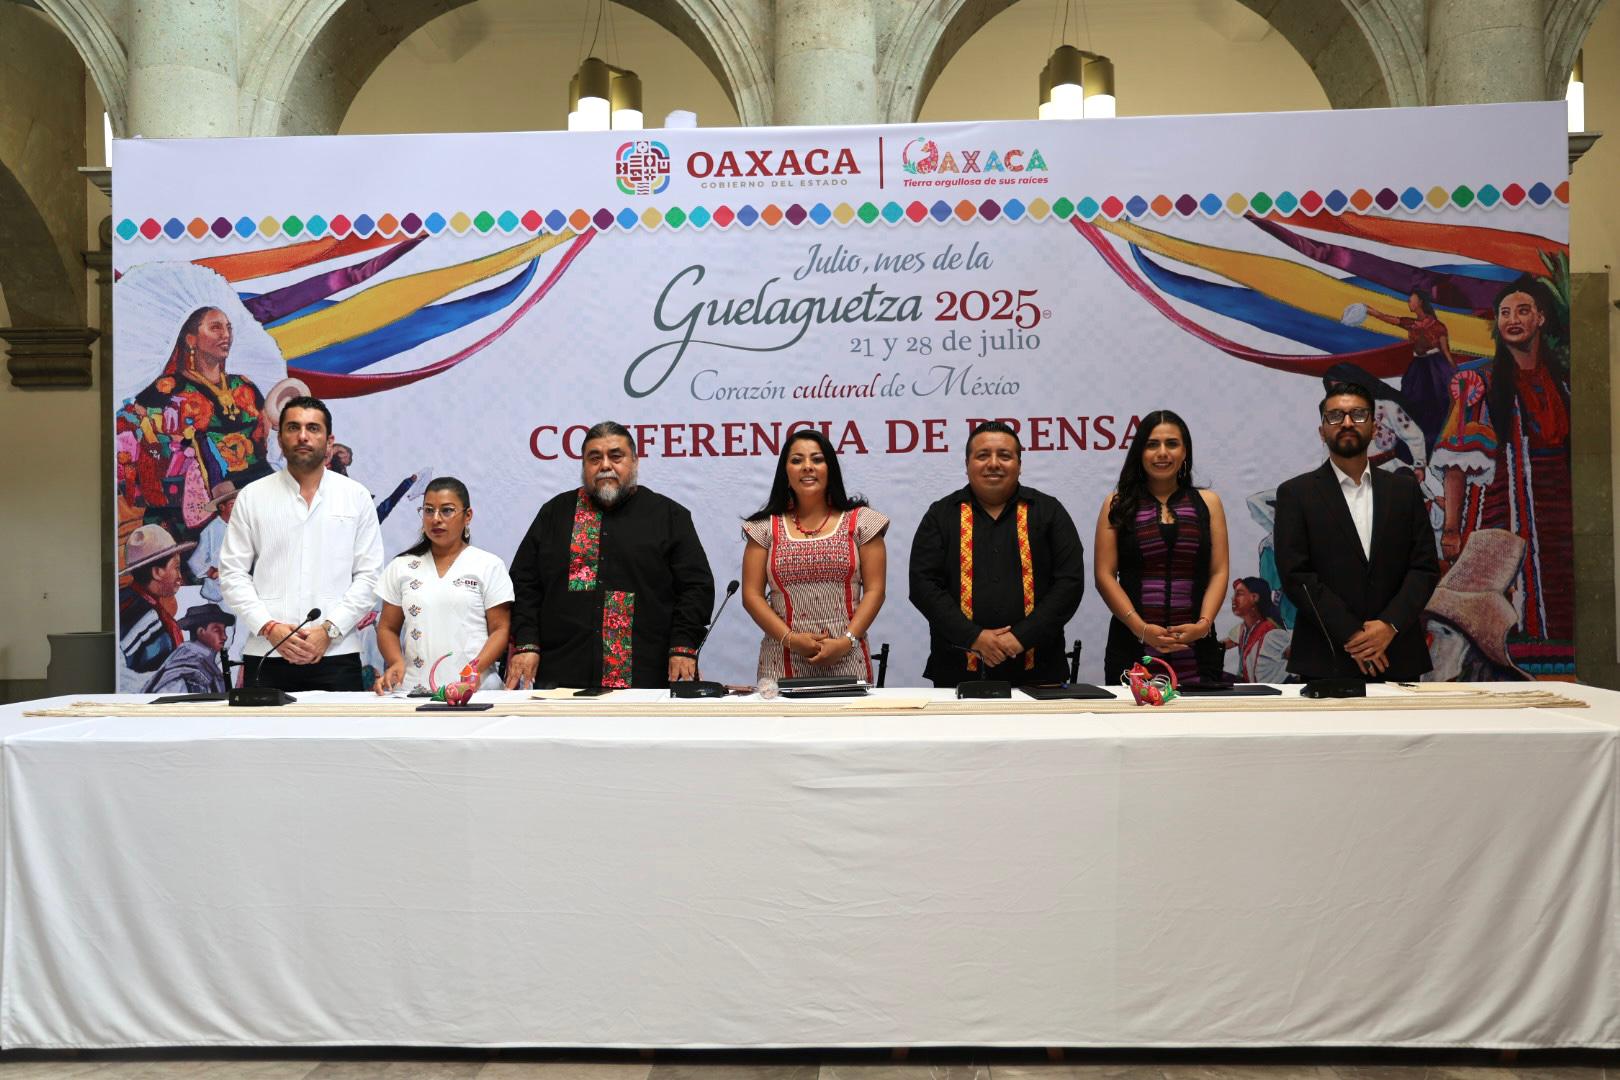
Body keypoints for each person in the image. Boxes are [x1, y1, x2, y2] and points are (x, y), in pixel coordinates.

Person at [506, 421, 716, 690]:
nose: (605, 465)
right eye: (594, 458)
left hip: (645, 675)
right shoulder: (555, 514)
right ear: (583, 465)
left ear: (635, 461)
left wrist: (683, 644)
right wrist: (526, 643)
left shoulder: (668, 516)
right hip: (561, 673)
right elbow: (524, 583)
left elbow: (696, 587)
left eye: (616, 457)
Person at [1434, 276, 1571, 661]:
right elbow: (1456, 465)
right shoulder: (1481, 382)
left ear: (1540, 318)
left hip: (1557, 517)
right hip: (1500, 513)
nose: (1513, 319)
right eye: (1505, 312)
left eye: (1523, 311)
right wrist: (1451, 528)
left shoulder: (1564, 383)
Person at [1274, 381, 1440, 681]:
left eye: (1358, 414)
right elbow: (1296, 575)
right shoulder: (1296, 494)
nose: (1347, 423)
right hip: (1326, 656)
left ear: (1374, 427)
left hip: (1397, 652)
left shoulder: (1404, 491)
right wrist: (1353, 635)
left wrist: (1389, 625)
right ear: (1322, 431)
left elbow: (1424, 568)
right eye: (1335, 416)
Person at [218, 396, 385, 692]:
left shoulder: (355, 496)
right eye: (293, 428)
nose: (303, 436)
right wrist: (269, 627)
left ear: (329, 441)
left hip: (337, 653)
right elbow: (232, 574)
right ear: (280, 439)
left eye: (313, 428)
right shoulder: (253, 497)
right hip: (267, 653)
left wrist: (329, 630)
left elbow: (369, 577)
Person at [909, 421, 1085, 687]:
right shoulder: (941, 515)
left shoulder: (1049, 511)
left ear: (1019, 464)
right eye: (983, 456)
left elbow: (1069, 583)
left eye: (1004, 455)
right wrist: (974, 637)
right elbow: (923, 586)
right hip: (957, 672)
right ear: (967, 464)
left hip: (1040, 671)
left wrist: (1020, 638)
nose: (993, 464)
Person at [1092, 410, 1229, 685]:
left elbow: (1219, 571)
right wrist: (1141, 629)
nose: (1162, 453)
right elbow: (1104, 575)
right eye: (1152, 444)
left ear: (1185, 451)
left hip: (1197, 647)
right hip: (1132, 646)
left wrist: (1203, 626)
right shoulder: (1116, 503)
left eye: (1172, 444)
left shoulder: (1209, 502)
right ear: (1139, 453)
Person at [740, 430, 889, 682]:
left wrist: (845, 642)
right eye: (797, 460)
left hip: (847, 657)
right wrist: (791, 639)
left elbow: (876, 591)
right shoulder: (764, 527)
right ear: (785, 473)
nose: (807, 467)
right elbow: (751, 596)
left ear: (830, 470)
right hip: (781, 660)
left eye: (817, 459)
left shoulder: (862, 522)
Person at [115, 307, 271, 535]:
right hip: (201, 507)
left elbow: (265, 441)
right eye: (215, 328)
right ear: (191, 339)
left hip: (259, 496)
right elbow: (133, 430)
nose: (226, 335)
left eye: (228, 328)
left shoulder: (244, 385)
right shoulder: (167, 388)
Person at [374, 477, 514, 694]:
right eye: (428, 511)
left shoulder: (488, 565)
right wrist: (395, 661)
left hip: (475, 691)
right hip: (415, 690)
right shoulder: (401, 566)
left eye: (447, 511)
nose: (436, 519)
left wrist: (474, 670)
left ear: (468, 516)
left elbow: (500, 629)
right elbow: (387, 628)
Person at [1362, 292, 1455, 450]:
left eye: (1411, 300)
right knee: (1411, 402)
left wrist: (1455, 373)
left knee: (1437, 403)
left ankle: (1434, 442)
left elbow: (1446, 352)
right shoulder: (1410, 323)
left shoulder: (1438, 326)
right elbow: (1386, 318)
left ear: (1420, 302)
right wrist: (1370, 311)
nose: (1408, 303)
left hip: (1435, 368)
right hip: (1418, 368)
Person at [118, 524, 195, 686]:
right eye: (176, 567)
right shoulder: (147, 619)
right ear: (157, 572)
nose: (180, 577)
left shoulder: (127, 600)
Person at [143, 603, 235, 695]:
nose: (225, 637)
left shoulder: (206, 664)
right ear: (201, 631)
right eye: (217, 630)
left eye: (224, 630)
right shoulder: (188, 669)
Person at [1221, 577, 1290, 683]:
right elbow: (1224, 644)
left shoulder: (1273, 633)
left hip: (1273, 690)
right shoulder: (1243, 629)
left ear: (1254, 597)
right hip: (1253, 687)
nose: (1233, 599)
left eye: (1239, 594)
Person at [187, 480, 238, 604]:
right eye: (232, 505)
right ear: (222, 507)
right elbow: (195, 561)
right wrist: (212, 572)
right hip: (218, 593)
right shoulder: (211, 530)